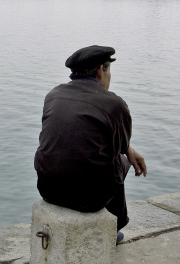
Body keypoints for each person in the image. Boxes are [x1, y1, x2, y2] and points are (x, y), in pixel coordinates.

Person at [34, 45, 147, 242]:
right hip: (89, 200)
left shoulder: (54, 94)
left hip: (48, 189)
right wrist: (127, 150)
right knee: (117, 161)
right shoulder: (114, 103)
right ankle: (114, 228)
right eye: (108, 70)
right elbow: (118, 147)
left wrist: (128, 148)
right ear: (100, 71)